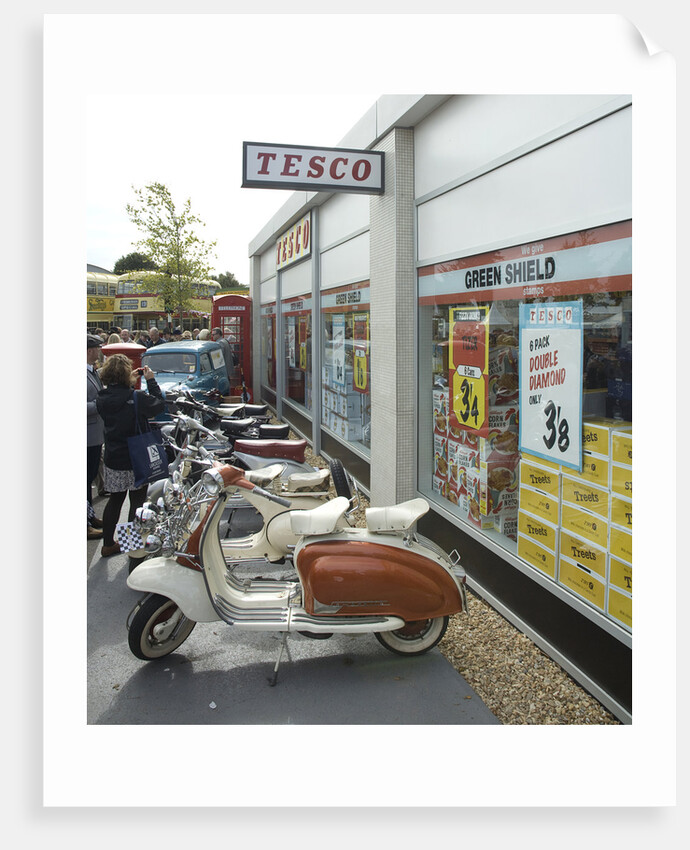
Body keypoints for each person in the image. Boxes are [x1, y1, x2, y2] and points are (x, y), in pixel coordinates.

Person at [96, 354, 165, 557]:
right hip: (136, 457)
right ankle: (131, 546)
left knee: (115, 500)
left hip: (113, 456)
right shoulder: (136, 397)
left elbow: (120, 402)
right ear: (126, 374)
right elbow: (159, 405)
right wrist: (151, 381)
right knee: (136, 501)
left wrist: (129, 383)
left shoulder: (102, 397)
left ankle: (108, 544)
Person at [87, 334, 105, 539]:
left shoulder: (92, 371)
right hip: (87, 434)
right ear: (89, 350)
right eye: (97, 348)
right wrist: (99, 404)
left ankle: (89, 515)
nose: (100, 351)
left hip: (94, 434)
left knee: (89, 477)